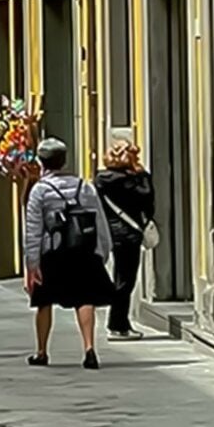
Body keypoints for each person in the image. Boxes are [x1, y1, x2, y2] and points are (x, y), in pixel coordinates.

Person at [23, 137, 116, 370]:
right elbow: (100, 221)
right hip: (83, 252)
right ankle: (89, 348)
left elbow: (33, 230)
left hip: (52, 253)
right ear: (64, 160)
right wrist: (102, 252)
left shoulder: (39, 191)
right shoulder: (85, 186)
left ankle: (42, 351)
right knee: (85, 299)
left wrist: (32, 264)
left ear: (41, 162)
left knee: (44, 302)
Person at [96, 137, 158, 340]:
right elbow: (147, 198)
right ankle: (118, 325)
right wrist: (142, 174)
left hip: (114, 232)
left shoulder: (102, 179)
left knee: (121, 278)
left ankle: (118, 323)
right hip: (128, 234)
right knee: (126, 281)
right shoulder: (127, 181)